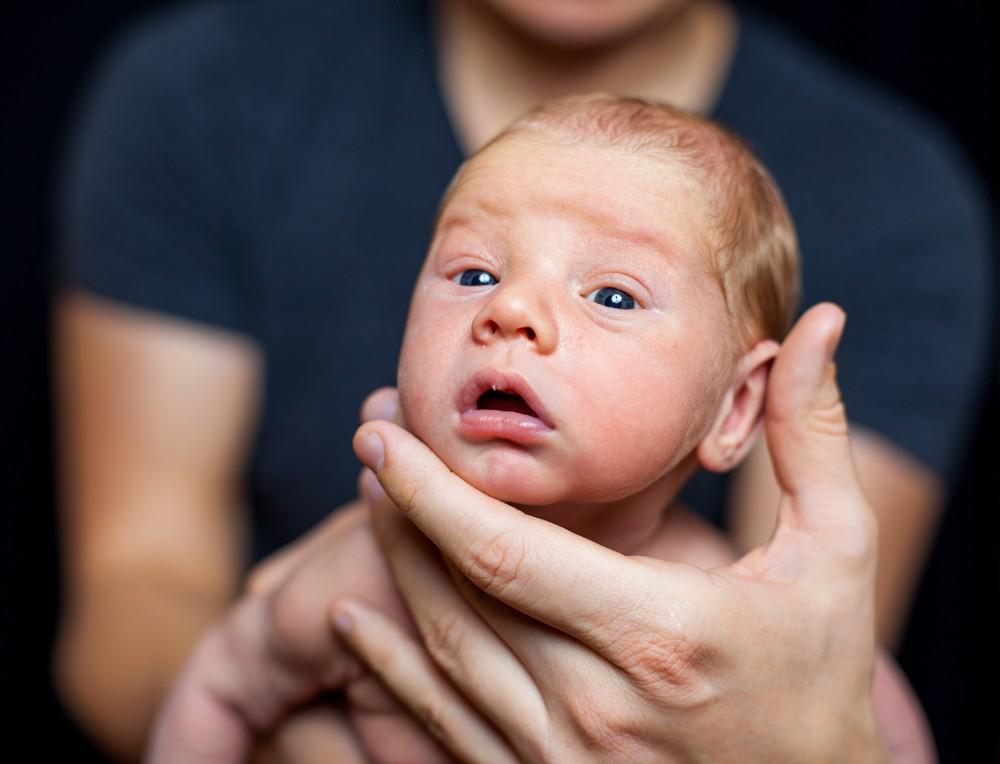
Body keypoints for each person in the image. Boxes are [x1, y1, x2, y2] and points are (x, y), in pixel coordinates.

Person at [52, 0, 990, 760]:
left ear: (738, 407)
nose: (510, 313)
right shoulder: (348, 581)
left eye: (613, 296)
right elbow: (209, 686)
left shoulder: (753, 628)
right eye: (472, 275)